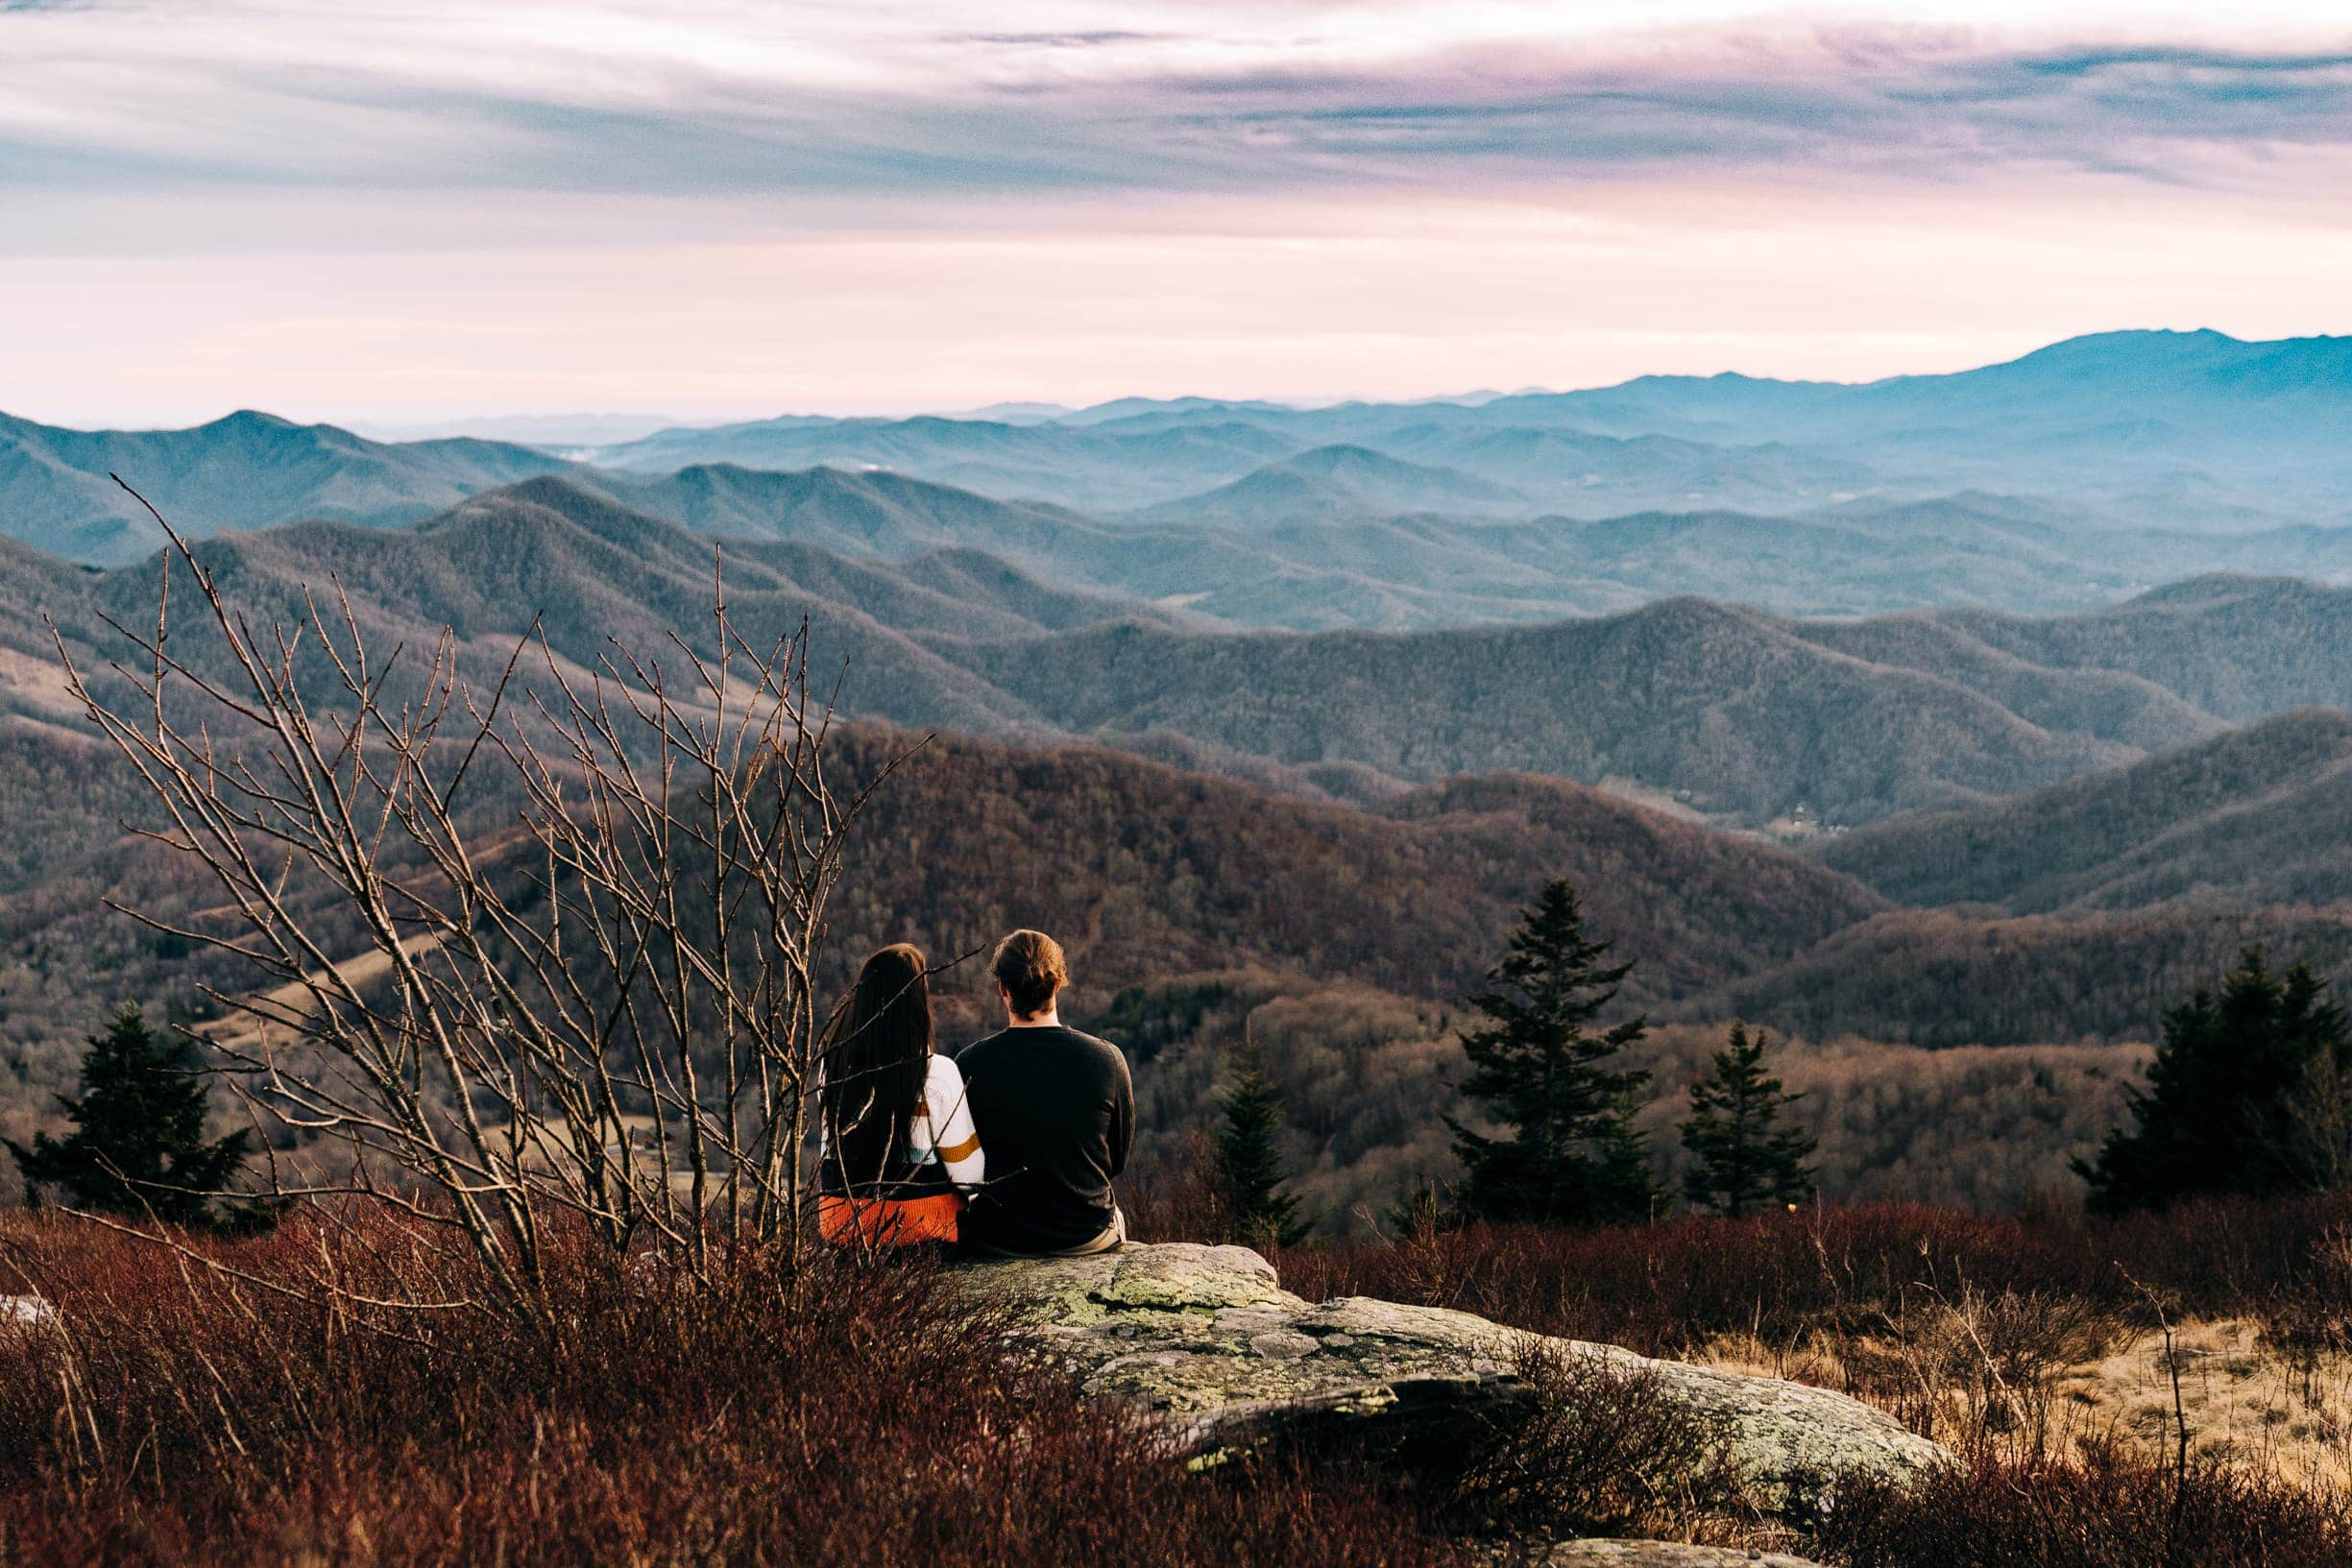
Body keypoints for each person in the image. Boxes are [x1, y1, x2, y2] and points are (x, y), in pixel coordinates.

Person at [956, 929, 1133, 1256]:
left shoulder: (969, 1065)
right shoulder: (1106, 1060)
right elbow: (1116, 1159)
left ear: (1003, 989)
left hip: (1000, 1237)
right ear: (1058, 982)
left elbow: (964, 1165)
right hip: (1085, 1233)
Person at [815, 944, 982, 1247]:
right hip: (918, 1230)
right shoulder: (936, 1072)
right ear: (918, 1005)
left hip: (841, 1226)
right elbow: (969, 1176)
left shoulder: (832, 1066)